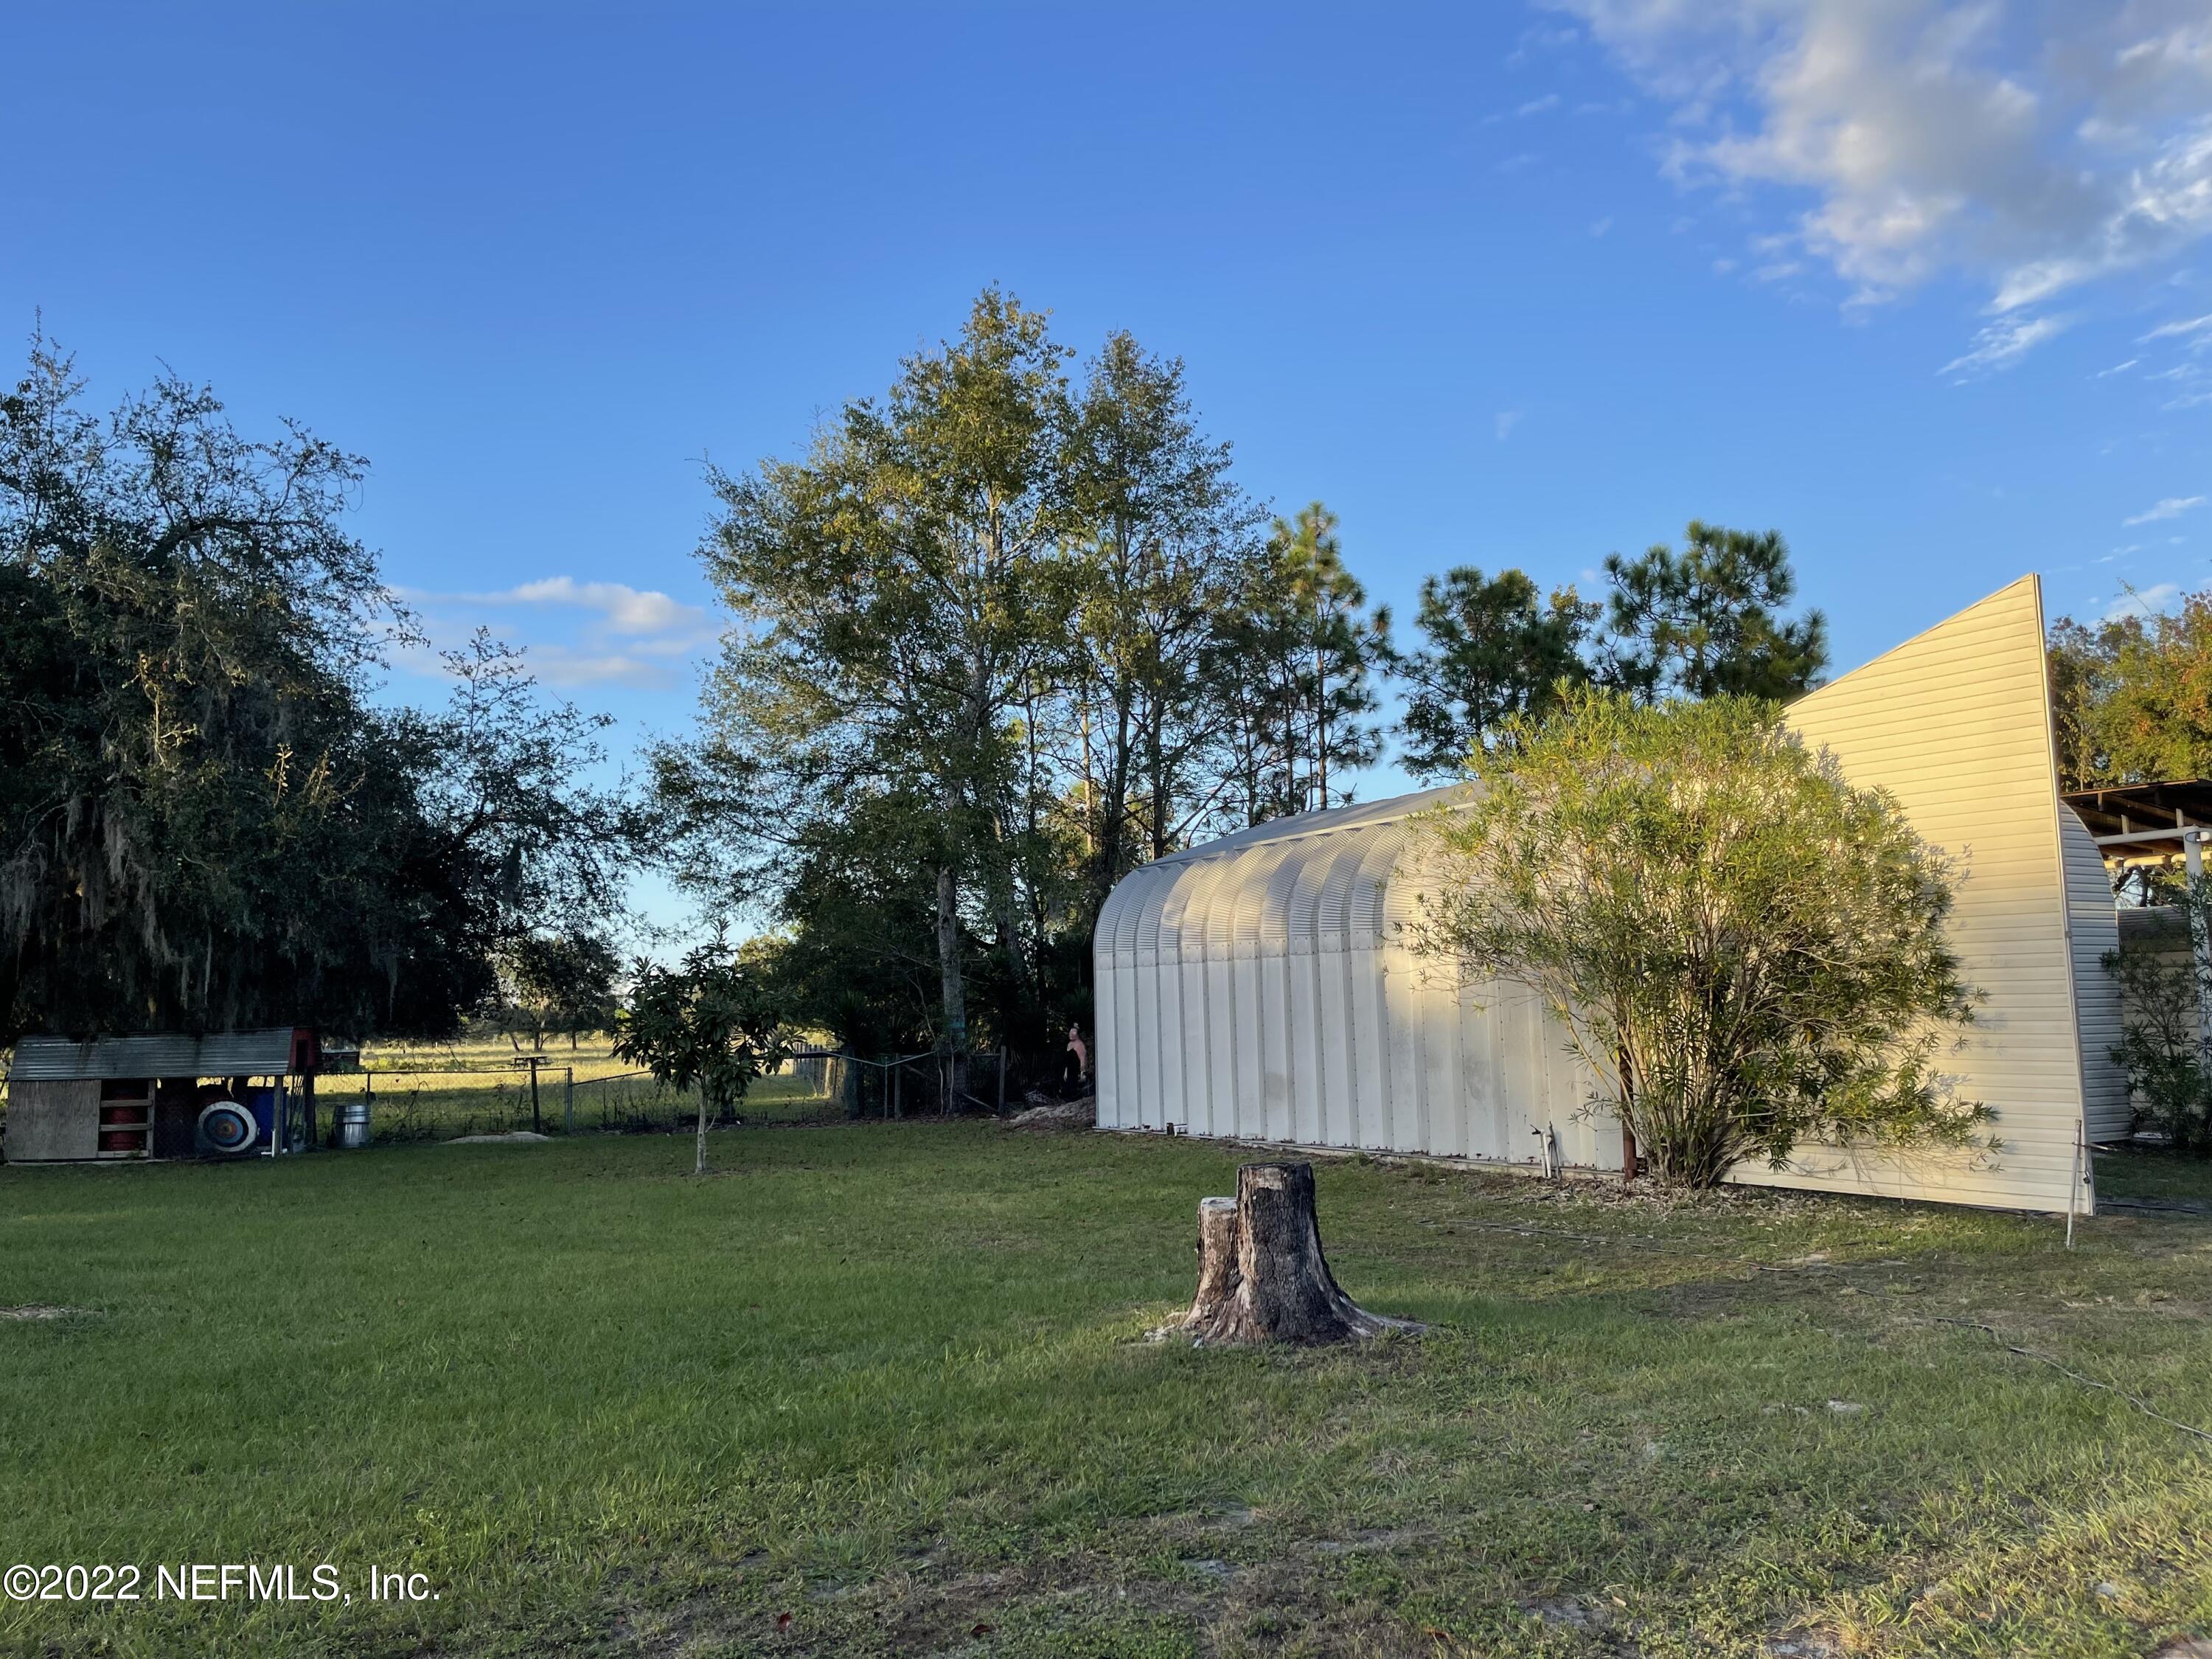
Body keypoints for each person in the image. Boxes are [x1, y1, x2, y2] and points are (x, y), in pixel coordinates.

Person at [1060, 1023, 1089, 1094]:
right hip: (1070, 1072)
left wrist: (1082, 1073)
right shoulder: (1069, 1045)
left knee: (1075, 1090)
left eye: (1074, 1032)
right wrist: (1065, 1072)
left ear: (1078, 1034)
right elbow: (1067, 1060)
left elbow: (1083, 1060)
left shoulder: (1080, 1045)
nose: (1071, 1034)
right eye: (1070, 1032)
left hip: (1076, 1073)